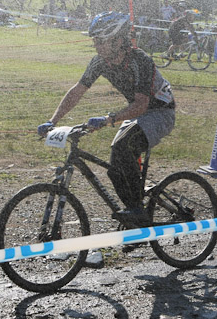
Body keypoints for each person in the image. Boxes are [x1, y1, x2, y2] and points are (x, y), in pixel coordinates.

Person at [37, 12, 176, 227]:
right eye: (95, 41)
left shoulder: (140, 61)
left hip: (160, 112)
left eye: (101, 41)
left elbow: (141, 105)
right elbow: (77, 91)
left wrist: (108, 119)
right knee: (114, 167)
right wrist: (52, 121)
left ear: (118, 41)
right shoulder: (100, 62)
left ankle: (137, 211)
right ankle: (136, 219)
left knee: (123, 146)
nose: (96, 46)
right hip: (138, 113)